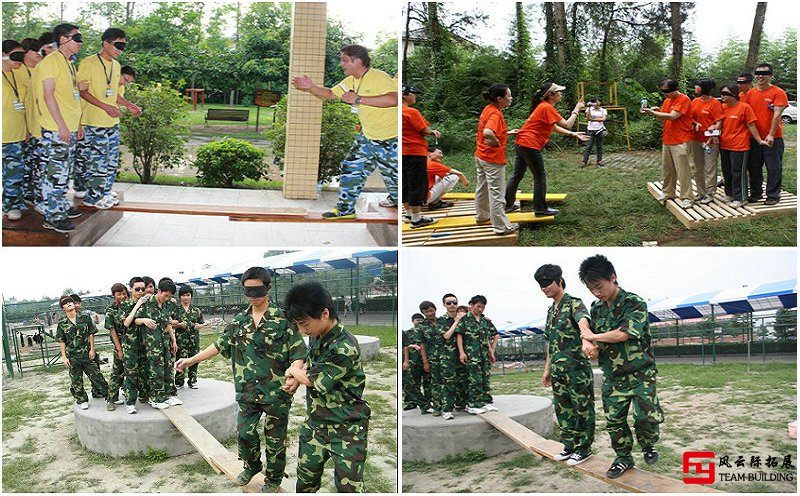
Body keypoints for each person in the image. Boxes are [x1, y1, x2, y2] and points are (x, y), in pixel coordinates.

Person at [176, 268, 306, 492]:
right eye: (248, 290)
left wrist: (295, 371)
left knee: (275, 441)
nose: (253, 295)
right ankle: (252, 465)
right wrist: (190, 360)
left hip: (277, 392)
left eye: (258, 290)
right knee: (244, 434)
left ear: (269, 288)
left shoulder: (284, 318)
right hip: (247, 391)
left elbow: (299, 352)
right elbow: (219, 345)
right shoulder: (239, 320)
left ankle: (274, 478)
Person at [578, 254, 664, 479]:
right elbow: (592, 334)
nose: (596, 293)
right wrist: (590, 345)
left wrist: (593, 336)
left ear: (613, 277)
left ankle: (648, 444)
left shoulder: (634, 303)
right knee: (615, 422)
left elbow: (623, 334)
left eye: (599, 286)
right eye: (591, 289)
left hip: (640, 373)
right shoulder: (596, 308)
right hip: (613, 376)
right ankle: (623, 458)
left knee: (645, 418)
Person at [283, 281, 371, 493]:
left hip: (347, 429)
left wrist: (293, 372)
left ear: (324, 313)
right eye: (298, 325)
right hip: (316, 424)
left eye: (304, 324)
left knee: (348, 488)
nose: (302, 330)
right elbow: (309, 364)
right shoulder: (317, 335)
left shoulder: (344, 347)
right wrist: (297, 376)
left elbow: (314, 380)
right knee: (305, 483)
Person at [291, 44, 398, 219]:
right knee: (351, 168)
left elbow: (393, 99)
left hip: (390, 139)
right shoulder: (350, 81)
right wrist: (310, 86)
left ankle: (403, 207)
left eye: (344, 60)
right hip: (368, 137)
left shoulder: (379, 77)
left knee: (394, 181)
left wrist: (358, 99)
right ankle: (345, 209)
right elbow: (330, 94)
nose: (341, 64)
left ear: (358, 60)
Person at [536, 264, 597, 466]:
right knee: (563, 409)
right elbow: (550, 343)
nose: (543, 288)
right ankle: (569, 446)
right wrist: (547, 370)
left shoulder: (573, 303)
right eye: (540, 285)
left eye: (547, 283)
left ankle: (583, 448)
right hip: (558, 371)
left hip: (576, 370)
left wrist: (586, 338)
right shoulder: (549, 311)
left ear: (559, 282)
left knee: (582, 409)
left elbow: (583, 320)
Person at [74, 27, 141, 209]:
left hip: (112, 122)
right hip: (95, 121)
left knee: (111, 161)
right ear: (106, 43)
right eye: (118, 45)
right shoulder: (89, 63)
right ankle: (92, 198)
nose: (120, 49)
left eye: (123, 46)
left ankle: (104, 192)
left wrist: (129, 105)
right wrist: (104, 107)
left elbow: (113, 96)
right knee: (97, 162)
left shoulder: (116, 66)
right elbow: (82, 91)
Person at [506, 82, 587, 216]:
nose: (561, 94)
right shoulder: (546, 107)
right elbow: (567, 124)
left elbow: (553, 127)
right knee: (539, 176)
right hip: (529, 144)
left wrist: (573, 134)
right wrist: (577, 109)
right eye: (559, 92)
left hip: (521, 142)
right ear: (551, 95)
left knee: (517, 175)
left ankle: (507, 204)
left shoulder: (543, 107)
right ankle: (540, 208)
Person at [36, 23, 86, 232]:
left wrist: (78, 124)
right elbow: (48, 95)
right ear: (63, 40)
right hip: (57, 129)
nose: (80, 43)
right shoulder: (51, 62)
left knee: (64, 173)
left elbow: (71, 97)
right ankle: (53, 216)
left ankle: (61, 207)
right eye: (76, 38)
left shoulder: (69, 63)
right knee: (55, 173)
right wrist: (62, 125)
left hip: (69, 128)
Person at [642, 78, 694, 208]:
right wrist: (653, 112)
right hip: (668, 139)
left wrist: (654, 112)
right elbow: (662, 118)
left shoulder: (683, 99)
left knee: (683, 170)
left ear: (675, 89)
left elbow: (673, 116)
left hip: (681, 139)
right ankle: (668, 192)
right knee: (667, 169)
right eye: (662, 91)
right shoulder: (667, 100)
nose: (664, 93)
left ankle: (687, 197)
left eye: (666, 91)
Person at [474, 83, 518, 235]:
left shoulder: (489, 109)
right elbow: (487, 132)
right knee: (497, 193)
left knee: (482, 187)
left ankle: (482, 216)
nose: (511, 98)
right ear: (499, 99)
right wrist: (496, 142)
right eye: (509, 96)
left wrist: (507, 133)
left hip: (481, 155)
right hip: (492, 159)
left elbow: (490, 130)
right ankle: (501, 227)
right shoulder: (495, 114)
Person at [745, 63, 788, 205]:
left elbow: (777, 115)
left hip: (773, 138)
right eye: (758, 73)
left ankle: (773, 195)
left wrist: (770, 134)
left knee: (773, 167)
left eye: (764, 73)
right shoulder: (750, 93)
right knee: (754, 167)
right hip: (754, 138)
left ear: (770, 75)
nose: (760, 76)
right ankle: (756, 193)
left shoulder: (778, 92)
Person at [717, 83, 766, 208]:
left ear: (734, 95)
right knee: (727, 171)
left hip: (740, 146)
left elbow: (751, 125)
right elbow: (719, 124)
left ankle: (741, 197)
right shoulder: (723, 107)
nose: (722, 96)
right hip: (724, 145)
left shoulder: (744, 107)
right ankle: (730, 194)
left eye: (725, 94)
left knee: (738, 172)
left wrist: (759, 140)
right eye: (721, 94)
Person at [56, 295, 109, 409]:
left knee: (97, 376)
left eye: (70, 301)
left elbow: (91, 333)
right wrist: (64, 357)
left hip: (87, 353)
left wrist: (92, 349)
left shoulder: (85, 318)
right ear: (62, 308)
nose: (69, 303)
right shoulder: (62, 323)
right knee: (76, 380)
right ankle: (82, 399)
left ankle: (109, 397)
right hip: (73, 356)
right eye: (65, 303)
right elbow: (62, 341)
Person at [133, 279, 179, 410]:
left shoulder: (168, 304)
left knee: (168, 369)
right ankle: (156, 398)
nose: (168, 298)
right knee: (156, 370)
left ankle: (169, 395)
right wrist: (143, 320)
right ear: (159, 291)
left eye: (170, 296)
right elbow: (134, 320)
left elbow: (168, 323)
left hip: (165, 342)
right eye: (166, 295)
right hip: (151, 344)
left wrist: (173, 340)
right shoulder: (147, 303)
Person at [402, 84, 439, 228]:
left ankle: (409, 213)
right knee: (416, 183)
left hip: (402, 152)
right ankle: (417, 219)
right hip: (415, 151)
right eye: (413, 93)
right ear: (404, 95)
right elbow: (424, 130)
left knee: (405, 183)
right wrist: (433, 132)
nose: (415, 96)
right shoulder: (411, 112)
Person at [454, 295, 499, 414]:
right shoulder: (465, 319)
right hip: (471, 355)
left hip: (484, 355)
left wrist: (491, 352)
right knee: (475, 380)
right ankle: (473, 404)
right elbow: (459, 336)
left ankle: (485, 402)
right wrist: (462, 352)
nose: (480, 309)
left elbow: (490, 337)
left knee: (485, 378)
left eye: (483, 307)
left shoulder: (485, 321)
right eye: (478, 306)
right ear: (471, 305)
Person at [16, 38, 44, 210]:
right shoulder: (17, 71)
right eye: (35, 51)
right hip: (27, 127)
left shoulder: (41, 70)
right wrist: (26, 127)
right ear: (26, 53)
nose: (39, 54)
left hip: (42, 125)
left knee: (39, 163)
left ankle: (36, 195)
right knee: (27, 164)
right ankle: (27, 196)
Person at [2, 39, 29, 221]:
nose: (20, 61)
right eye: (16, 56)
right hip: (3, 134)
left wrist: (26, 129)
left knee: (15, 173)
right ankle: (10, 205)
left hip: (17, 134)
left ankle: (14, 203)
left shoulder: (16, 75)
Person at [688, 78, 723, 204]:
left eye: (697, 85)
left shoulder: (715, 103)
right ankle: (700, 192)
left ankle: (710, 193)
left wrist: (713, 127)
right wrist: (696, 123)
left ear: (703, 88)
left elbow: (719, 122)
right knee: (698, 168)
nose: (695, 87)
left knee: (710, 168)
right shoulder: (695, 101)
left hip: (710, 142)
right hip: (695, 140)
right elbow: (690, 117)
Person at [120, 276, 147, 413]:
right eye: (137, 289)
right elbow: (126, 322)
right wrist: (137, 305)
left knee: (145, 372)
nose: (141, 291)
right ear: (131, 289)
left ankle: (144, 396)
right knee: (131, 375)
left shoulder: (148, 304)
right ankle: (130, 403)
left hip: (146, 344)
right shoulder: (125, 305)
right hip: (130, 346)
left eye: (143, 288)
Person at [437, 293, 468, 411]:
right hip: (448, 357)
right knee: (449, 384)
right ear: (444, 305)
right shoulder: (441, 320)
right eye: (449, 303)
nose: (452, 305)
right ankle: (447, 409)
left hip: (463, 355)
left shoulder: (465, 318)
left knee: (463, 382)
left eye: (454, 302)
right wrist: (456, 321)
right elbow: (446, 335)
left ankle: (461, 405)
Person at [413, 301, 443, 416]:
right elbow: (422, 345)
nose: (430, 313)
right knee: (435, 383)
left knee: (449, 382)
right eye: (426, 312)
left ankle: (448, 406)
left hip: (448, 357)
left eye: (431, 310)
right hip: (433, 358)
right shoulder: (421, 326)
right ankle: (437, 407)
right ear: (423, 313)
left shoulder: (444, 322)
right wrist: (425, 361)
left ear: (435, 309)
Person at [104, 282, 130, 411]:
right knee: (117, 372)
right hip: (120, 344)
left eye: (124, 293)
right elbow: (112, 331)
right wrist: (119, 349)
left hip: (133, 344)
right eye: (119, 294)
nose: (122, 296)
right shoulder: (111, 311)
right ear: (114, 295)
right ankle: (111, 398)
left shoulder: (131, 306)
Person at [173, 285, 204, 389]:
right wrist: (179, 325)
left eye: (188, 295)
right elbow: (170, 324)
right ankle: (179, 381)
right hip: (180, 340)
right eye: (183, 295)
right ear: (180, 297)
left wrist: (199, 326)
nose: (185, 298)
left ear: (191, 296)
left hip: (194, 340)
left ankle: (193, 380)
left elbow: (201, 323)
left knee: (194, 360)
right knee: (180, 360)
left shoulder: (196, 310)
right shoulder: (176, 310)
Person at [402, 313, 431, 413]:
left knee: (427, 383)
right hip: (413, 361)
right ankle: (410, 402)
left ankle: (427, 401)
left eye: (420, 320)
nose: (419, 322)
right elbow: (404, 345)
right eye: (417, 320)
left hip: (425, 360)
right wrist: (413, 346)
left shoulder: (426, 332)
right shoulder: (407, 332)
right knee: (413, 383)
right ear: (412, 321)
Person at [581, 96, 607, 167]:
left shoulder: (603, 110)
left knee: (600, 146)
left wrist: (593, 118)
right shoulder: (589, 109)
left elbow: (603, 119)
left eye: (597, 101)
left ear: (599, 102)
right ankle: (584, 161)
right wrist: (589, 108)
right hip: (590, 130)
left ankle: (599, 160)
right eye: (594, 102)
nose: (595, 103)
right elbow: (588, 118)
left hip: (600, 130)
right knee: (588, 146)